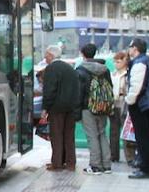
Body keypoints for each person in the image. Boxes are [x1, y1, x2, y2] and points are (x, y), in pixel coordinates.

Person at [125, 38, 149, 178]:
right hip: (146, 104)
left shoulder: (139, 62)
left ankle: (146, 168)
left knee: (142, 138)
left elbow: (136, 86)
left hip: (140, 104)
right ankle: (146, 166)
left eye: (130, 47)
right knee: (145, 136)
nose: (129, 50)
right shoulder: (146, 60)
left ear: (135, 48)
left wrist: (129, 100)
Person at [41, 43, 82, 171]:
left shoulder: (51, 69)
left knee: (56, 135)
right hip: (71, 107)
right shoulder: (69, 68)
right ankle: (70, 163)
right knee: (69, 135)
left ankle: (57, 163)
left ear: (51, 55)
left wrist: (45, 108)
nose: (45, 58)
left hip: (57, 108)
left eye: (46, 55)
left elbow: (50, 90)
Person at [76, 43, 113, 174]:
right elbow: (110, 87)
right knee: (102, 134)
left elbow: (79, 93)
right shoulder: (105, 70)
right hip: (103, 106)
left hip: (88, 108)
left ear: (83, 54)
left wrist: (76, 111)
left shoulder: (81, 70)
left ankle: (95, 165)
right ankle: (107, 165)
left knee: (92, 136)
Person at [111, 51, 131, 164]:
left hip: (125, 105)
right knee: (113, 131)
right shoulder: (113, 74)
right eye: (115, 61)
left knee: (126, 131)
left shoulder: (128, 74)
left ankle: (129, 156)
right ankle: (114, 155)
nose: (116, 64)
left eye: (119, 61)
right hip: (113, 104)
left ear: (125, 61)